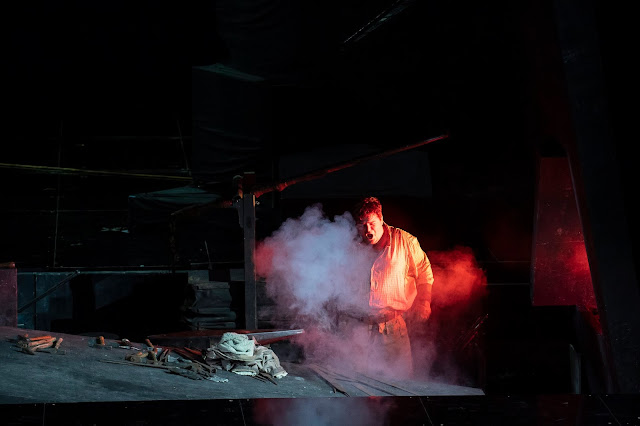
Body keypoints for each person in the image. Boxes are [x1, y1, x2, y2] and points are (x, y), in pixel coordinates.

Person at [351, 196, 434, 377]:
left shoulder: (406, 242)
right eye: (362, 225)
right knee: (358, 383)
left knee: (400, 382)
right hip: (359, 328)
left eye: (372, 223)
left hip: (392, 327)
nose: (367, 230)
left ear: (381, 219)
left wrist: (424, 302)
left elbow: (424, 273)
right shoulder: (352, 246)